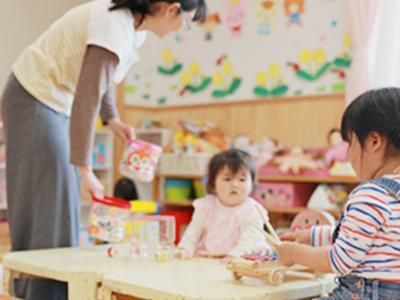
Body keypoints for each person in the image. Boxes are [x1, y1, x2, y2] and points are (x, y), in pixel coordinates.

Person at [1, 0, 206, 299]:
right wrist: (85, 170)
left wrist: (113, 120)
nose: (182, 28)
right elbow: (87, 97)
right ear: (170, 8)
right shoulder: (115, 26)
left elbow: (103, 79)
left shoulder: (134, 30)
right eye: (185, 21)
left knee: (55, 207)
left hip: (53, 101)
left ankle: (34, 291)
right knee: (54, 208)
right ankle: (44, 293)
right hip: (35, 96)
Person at [276, 88, 400, 299]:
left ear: (374, 141)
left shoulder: (370, 194)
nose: (347, 155)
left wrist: (293, 254)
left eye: (350, 143)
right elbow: (369, 237)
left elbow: (340, 259)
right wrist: (313, 235)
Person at [177, 149, 271, 263]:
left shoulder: (252, 210)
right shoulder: (207, 205)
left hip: (244, 258)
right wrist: (186, 248)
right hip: (209, 257)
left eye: (242, 179)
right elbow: (193, 231)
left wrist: (236, 255)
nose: (235, 184)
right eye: (227, 179)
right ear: (213, 184)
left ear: (252, 184)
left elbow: (250, 239)